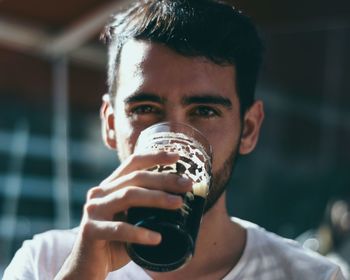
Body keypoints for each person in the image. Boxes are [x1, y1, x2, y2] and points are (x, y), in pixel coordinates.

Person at [4, 0, 345, 279]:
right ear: (110, 124)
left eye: (204, 111)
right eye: (146, 108)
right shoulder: (43, 263)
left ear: (249, 129)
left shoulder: (310, 275)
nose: (173, 140)